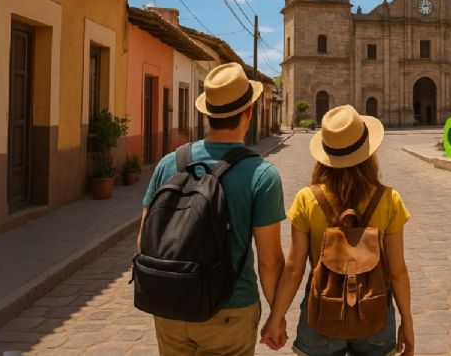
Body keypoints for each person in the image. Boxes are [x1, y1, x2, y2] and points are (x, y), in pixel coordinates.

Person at [138, 62, 286, 356]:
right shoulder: (261, 174)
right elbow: (270, 262)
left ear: (206, 113)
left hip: (170, 307)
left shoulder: (169, 163)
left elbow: (144, 239)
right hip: (230, 312)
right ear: (249, 111)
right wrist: (276, 315)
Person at [260, 105, 415, 356]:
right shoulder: (389, 200)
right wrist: (407, 322)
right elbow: (397, 271)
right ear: (368, 151)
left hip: (322, 312)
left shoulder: (306, 199)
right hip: (375, 313)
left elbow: (294, 268)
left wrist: (275, 317)